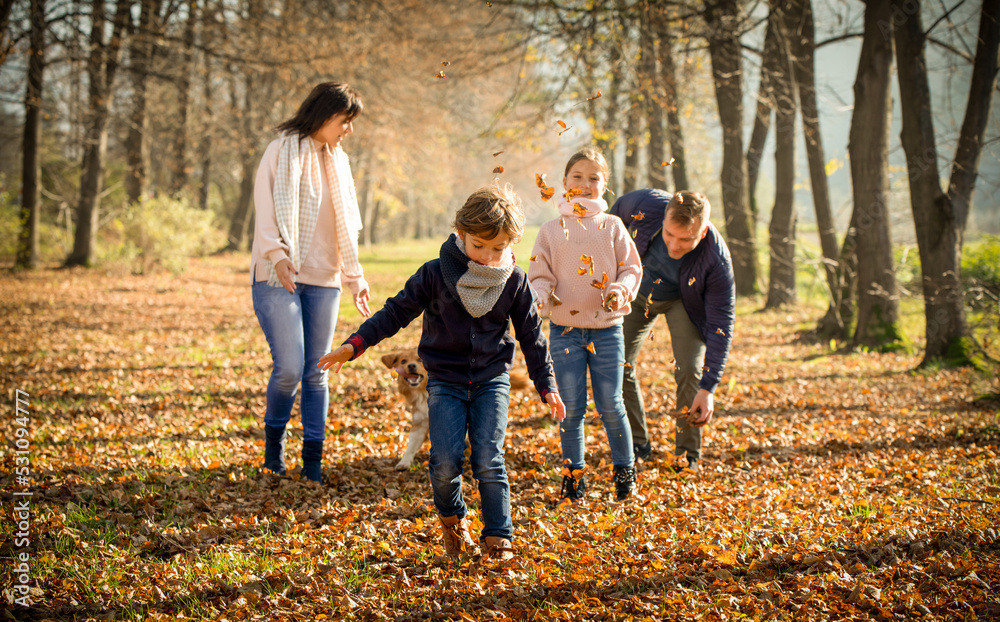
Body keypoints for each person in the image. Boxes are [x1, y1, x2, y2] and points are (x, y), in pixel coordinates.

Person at [318, 183, 566, 561]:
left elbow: (532, 336)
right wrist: (355, 344)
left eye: (498, 248)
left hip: (491, 380)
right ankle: (453, 522)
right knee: (445, 462)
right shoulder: (435, 274)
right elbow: (395, 312)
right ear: (461, 233)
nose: (487, 256)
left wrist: (546, 384)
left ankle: (500, 538)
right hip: (445, 381)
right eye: (479, 245)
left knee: (488, 457)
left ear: (510, 243)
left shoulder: (514, 280)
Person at [250, 82, 372, 483]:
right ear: (323, 115)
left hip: (325, 279)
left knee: (317, 370)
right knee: (288, 367)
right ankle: (274, 453)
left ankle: (313, 463)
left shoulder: (339, 161)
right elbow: (265, 209)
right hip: (277, 274)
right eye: (344, 121)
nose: (348, 130)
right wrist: (278, 255)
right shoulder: (280, 151)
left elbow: (346, 228)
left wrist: (355, 279)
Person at [528, 148, 642, 502]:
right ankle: (573, 477)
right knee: (571, 407)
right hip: (564, 330)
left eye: (594, 178)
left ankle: (625, 474)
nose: (585, 183)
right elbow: (540, 275)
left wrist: (620, 290)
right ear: (564, 183)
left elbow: (631, 268)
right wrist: (540, 297)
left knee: (611, 404)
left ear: (604, 187)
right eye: (578, 176)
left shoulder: (613, 226)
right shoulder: (551, 230)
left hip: (607, 328)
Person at [610, 189, 735, 472]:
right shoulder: (644, 204)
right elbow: (608, 223)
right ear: (663, 218)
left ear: (702, 233)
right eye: (669, 234)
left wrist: (709, 387)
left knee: (690, 370)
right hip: (635, 293)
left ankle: (687, 454)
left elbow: (720, 325)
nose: (675, 245)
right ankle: (637, 445)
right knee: (618, 363)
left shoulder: (717, 259)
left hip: (683, 302)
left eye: (686, 239)